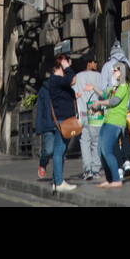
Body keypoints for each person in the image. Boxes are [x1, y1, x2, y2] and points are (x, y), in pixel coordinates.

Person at [89, 62, 130, 188]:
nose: (113, 72)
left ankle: (116, 179)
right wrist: (93, 88)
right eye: (113, 70)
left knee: (107, 150)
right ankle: (109, 179)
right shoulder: (116, 86)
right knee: (101, 151)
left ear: (123, 71)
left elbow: (114, 101)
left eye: (116, 70)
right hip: (108, 120)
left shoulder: (124, 86)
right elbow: (104, 94)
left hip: (116, 122)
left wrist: (99, 103)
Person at [100, 40, 130, 178]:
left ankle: (119, 165)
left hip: (113, 108)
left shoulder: (107, 66)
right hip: (127, 106)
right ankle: (127, 161)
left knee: (113, 137)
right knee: (126, 135)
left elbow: (103, 88)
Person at [45, 50, 77, 194]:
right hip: (63, 119)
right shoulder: (56, 80)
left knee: (61, 150)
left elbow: (71, 81)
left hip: (65, 118)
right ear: (59, 67)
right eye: (63, 66)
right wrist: (67, 66)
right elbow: (70, 78)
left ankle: (56, 180)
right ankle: (59, 182)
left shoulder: (57, 82)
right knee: (59, 151)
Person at [72, 52, 103, 181]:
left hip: (82, 111)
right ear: (89, 63)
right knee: (96, 142)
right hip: (95, 109)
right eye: (94, 62)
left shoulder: (77, 77)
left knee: (84, 141)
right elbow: (103, 93)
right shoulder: (99, 76)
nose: (96, 64)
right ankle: (96, 169)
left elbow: (73, 93)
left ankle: (88, 170)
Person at [35, 77, 54, 180]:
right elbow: (40, 109)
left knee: (59, 152)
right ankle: (42, 164)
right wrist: (38, 127)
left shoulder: (61, 87)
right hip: (48, 124)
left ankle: (58, 176)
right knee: (49, 150)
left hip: (60, 123)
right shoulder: (43, 90)